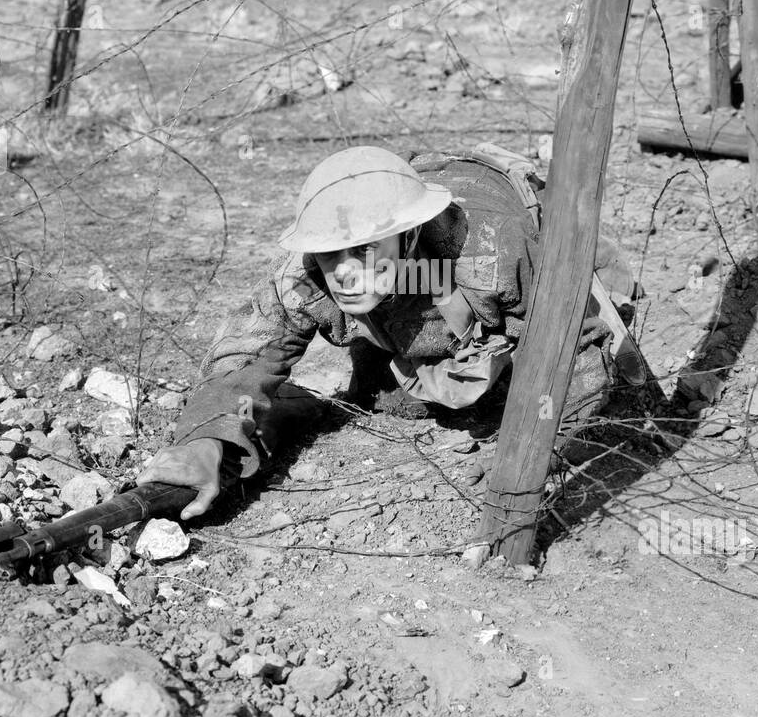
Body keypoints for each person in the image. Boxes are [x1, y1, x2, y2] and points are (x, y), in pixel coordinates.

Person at [137, 145, 648, 520]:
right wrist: (209, 438)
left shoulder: (495, 252)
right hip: (411, 226)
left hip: (507, 212)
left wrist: (534, 452)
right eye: (330, 253)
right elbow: (245, 357)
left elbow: (575, 347)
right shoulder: (307, 270)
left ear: (406, 240)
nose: (343, 271)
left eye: (362, 250)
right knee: (381, 392)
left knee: (620, 366)